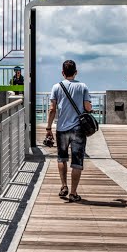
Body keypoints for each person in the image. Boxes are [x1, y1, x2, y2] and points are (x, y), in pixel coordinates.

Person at [45, 59, 92, 203]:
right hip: (78, 129)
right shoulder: (83, 86)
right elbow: (88, 107)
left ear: (62, 73)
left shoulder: (56, 87)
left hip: (62, 128)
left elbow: (52, 109)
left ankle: (64, 185)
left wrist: (48, 128)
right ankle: (73, 193)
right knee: (77, 162)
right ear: (76, 72)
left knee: (62, 158)